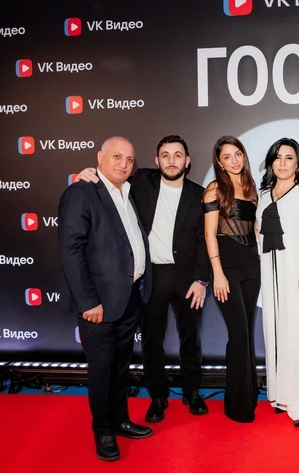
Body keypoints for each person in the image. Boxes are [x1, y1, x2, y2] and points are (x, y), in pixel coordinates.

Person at [75, 135, 210, 424]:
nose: (171, 160)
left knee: (191, 337)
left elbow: (204, 240)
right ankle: (158, 396)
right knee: (151, 340)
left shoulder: (199, 195)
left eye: (178, 155)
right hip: (151, 275)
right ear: (156, 160)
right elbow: (107, 176)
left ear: (187, 161)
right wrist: (87, 172)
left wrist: (201, 279)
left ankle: (192, 391)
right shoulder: (139, 183)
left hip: (188, 279)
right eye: (165, 155)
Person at [58, 137, 154, 462]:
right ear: (100, 157)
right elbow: (71, 251)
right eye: (116, 156)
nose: (124, 164)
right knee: (101, 369)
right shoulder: (81, 192)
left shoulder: (128, 192)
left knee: (121, 366)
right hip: (98, 303)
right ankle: (103, 430)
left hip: (130, 297)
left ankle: (120, 420)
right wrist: (87, 302)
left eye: (130, 159)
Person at [256, 138, 299, 427]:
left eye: (289, 158)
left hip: (298, 273)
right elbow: (259, 230)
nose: (282, 163)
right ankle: (281, 395)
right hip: (270, 276)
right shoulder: (264, 194)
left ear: (298, 163)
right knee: (276, 332)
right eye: (278, 157)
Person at [203, 136, 260, 423]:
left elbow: (256, 229)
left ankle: (248, 396)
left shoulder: (251, 187)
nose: (234, 160)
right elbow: (209, 234)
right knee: (238, 334)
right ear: (219, 162)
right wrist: (217, 273)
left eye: (237, 154)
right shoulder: (215, 189)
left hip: (252, 267)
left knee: (246, 332)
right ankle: (237, 405)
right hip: (226, 268)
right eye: (227, 157)